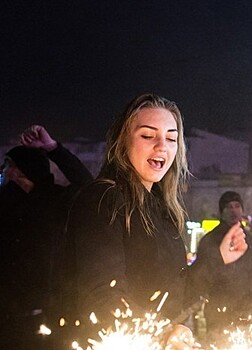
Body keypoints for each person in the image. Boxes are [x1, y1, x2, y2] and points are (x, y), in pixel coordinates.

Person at [66, 94, 230, 348]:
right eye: (147, 135)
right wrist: (163, 334)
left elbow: (177, 288)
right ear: (123, 142)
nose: (162, 146)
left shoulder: (164, 208)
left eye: (171, 138)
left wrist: (217, 257)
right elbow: (102, 297)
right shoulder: (104, 198)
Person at [0, 125, 92, 349]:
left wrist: (53, 149)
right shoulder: (4, 204)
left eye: (8, 165)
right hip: (7, 318)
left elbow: (89, 187)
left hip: (51, 317)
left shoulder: (58, 201)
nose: (3, 171)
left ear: (22, 170)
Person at [186, 191, 252, 339]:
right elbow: (201, 275)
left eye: (237, 206)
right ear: (222, 211)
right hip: (219, 311)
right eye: (228, 207)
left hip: (250, 309)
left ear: (242, 210)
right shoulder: (210, 240)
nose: (233, 210)